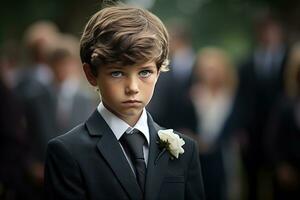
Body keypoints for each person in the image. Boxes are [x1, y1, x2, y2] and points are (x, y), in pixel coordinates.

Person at [44, 4, 205, 200]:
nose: (133, 87)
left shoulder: (185, 150)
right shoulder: (67, 152)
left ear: (158, 71)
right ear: (91, 74)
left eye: (144, 72)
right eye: (117, 73)